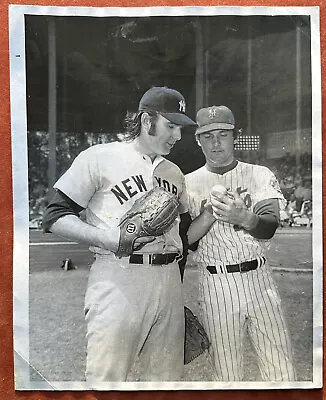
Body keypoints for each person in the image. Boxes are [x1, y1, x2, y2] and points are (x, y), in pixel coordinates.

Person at [42, 86, 196, 385]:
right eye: (171, 126)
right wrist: (107, 239)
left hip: (167, 282)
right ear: (146, 120)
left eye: (180, 128)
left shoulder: (175, 172)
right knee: (107, 379)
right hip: (119, 276)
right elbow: (54, 216)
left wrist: (172, 290)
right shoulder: (100, 157)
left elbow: (184, 235)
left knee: (166, 383)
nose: (177, 136)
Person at [185, 105, 296, 381]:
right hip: (216, 283)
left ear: (235, 136)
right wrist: (209, 214)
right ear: (198, 140)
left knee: (280, 368)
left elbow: (268, 226)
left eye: (222, 134)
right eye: (208, 136)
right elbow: (186, 240)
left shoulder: (258, 174)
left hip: (259, 280)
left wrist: (243, 216)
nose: (216, 142)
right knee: (227, 374)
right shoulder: (187, 183)